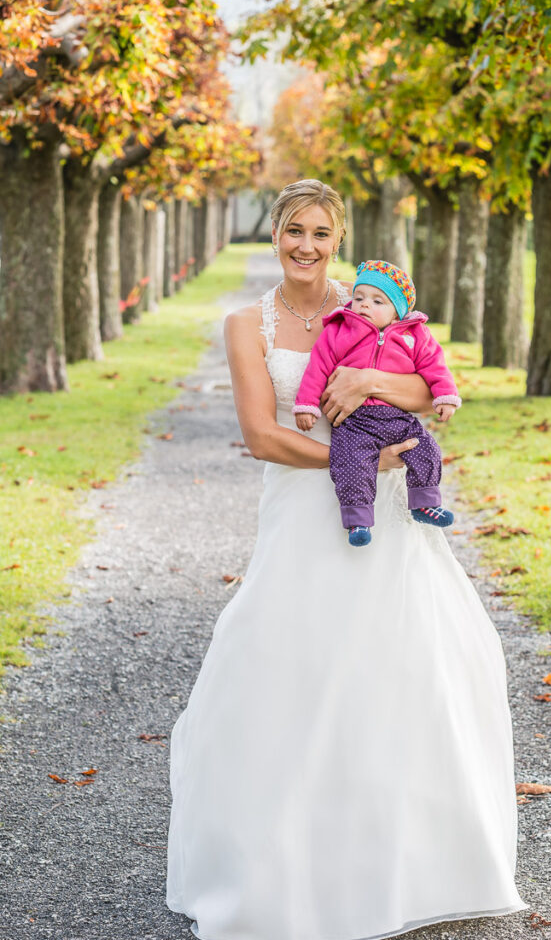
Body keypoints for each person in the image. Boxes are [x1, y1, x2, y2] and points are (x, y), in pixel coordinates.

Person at [166, 179, 527, 940]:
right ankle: (283, 865)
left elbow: (429, 387)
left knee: (406, 664)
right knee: (292, 668)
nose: (307, 245)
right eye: (294, 230)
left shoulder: (373, 304)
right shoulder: (246, 325)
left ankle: (404, 860)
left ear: (339, 238)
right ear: (275, 235)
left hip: (392, 521)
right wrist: (365, 466)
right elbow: (263, 436)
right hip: (304, 513)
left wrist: (367, 380)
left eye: (321, 233)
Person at [293, 259, 461, 547]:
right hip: (355, 421)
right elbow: (317, 368)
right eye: (358, 298)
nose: (364, 305)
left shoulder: (414, 335)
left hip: (397, 417)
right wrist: (307, 404)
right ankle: (358, 520)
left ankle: (424, 503)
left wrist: (445, 395)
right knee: (351, 463)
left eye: (377, 301)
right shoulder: (339, 330)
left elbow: (435, 366)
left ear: (397, 312)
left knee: (428, 449)